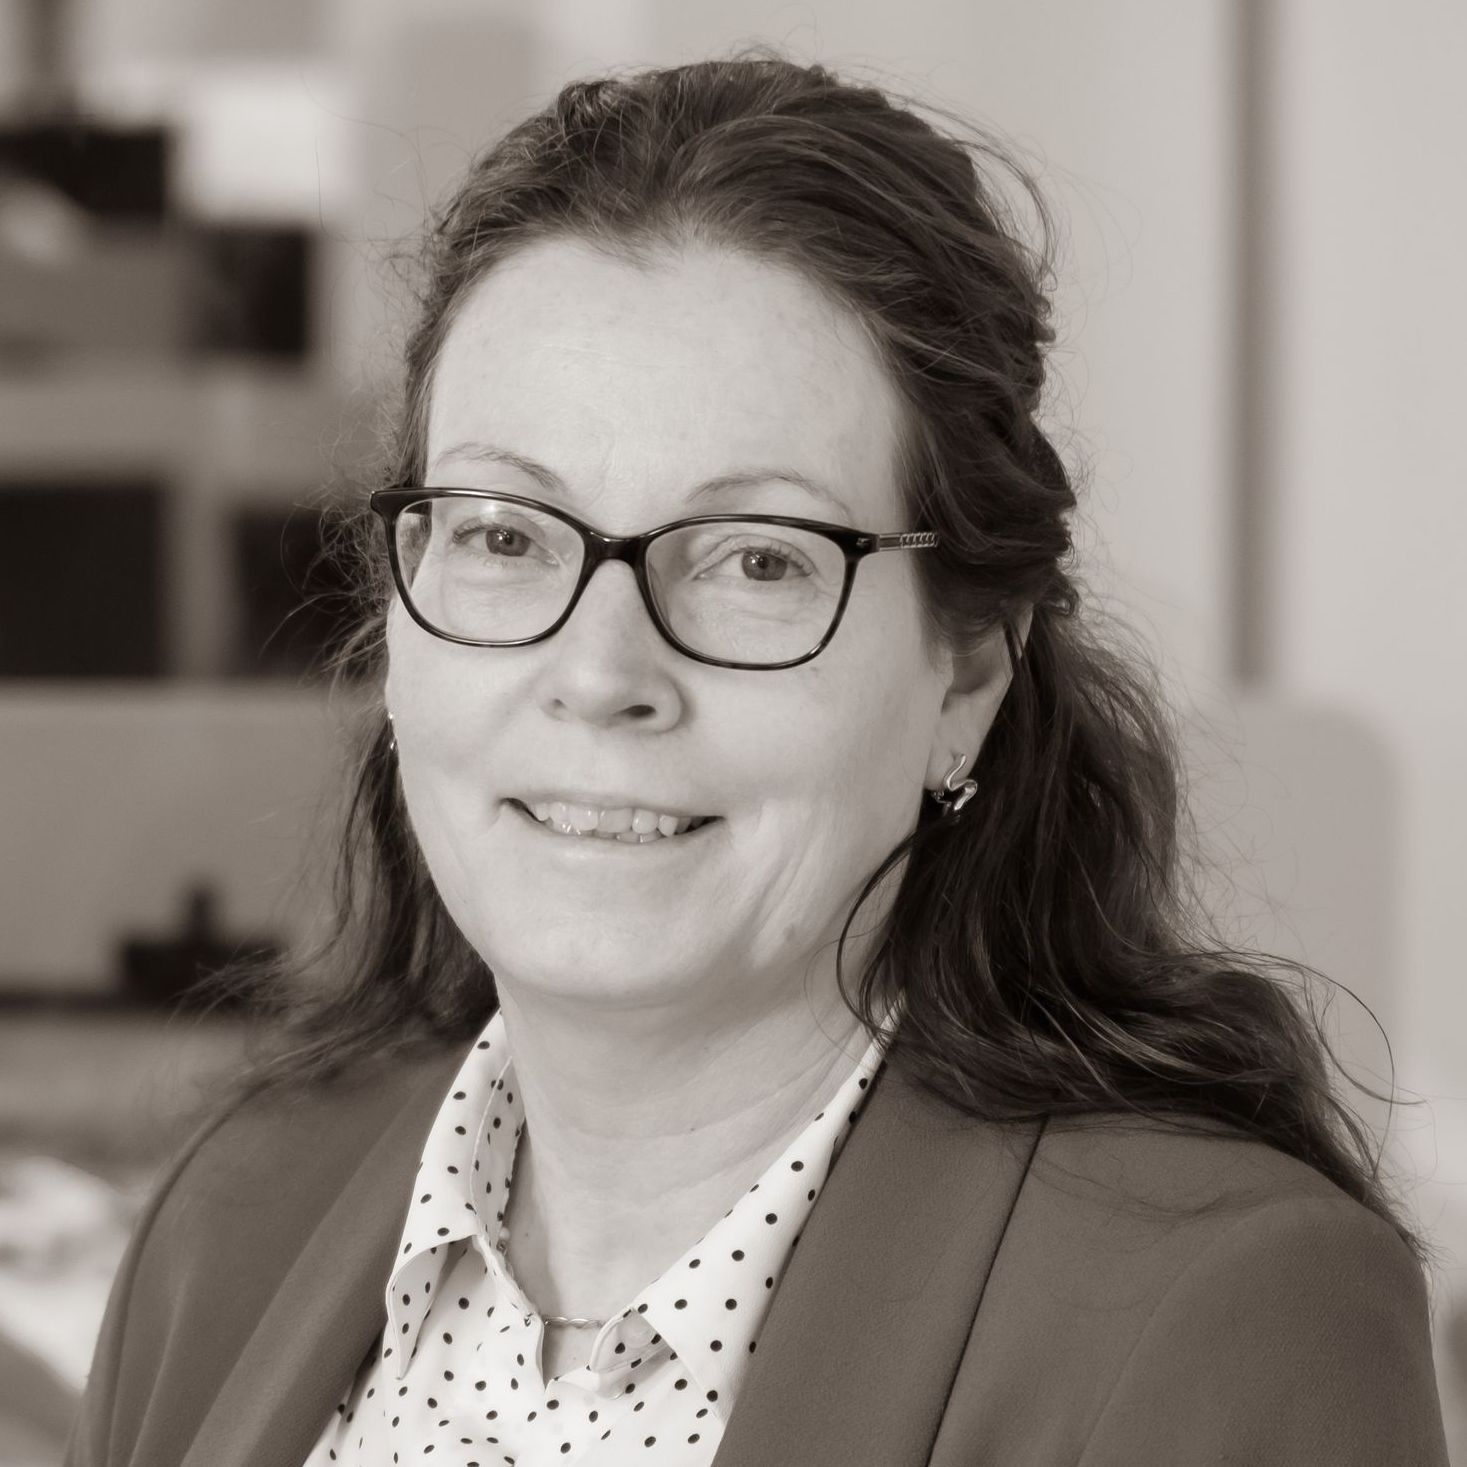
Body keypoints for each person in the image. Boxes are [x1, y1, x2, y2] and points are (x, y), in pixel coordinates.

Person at [66, 53, 1450, 1466]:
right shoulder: (235, 1218)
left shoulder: (1216, 1320)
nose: (601, 675)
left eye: (755, 562)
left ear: (967, 670)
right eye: (502, 535)